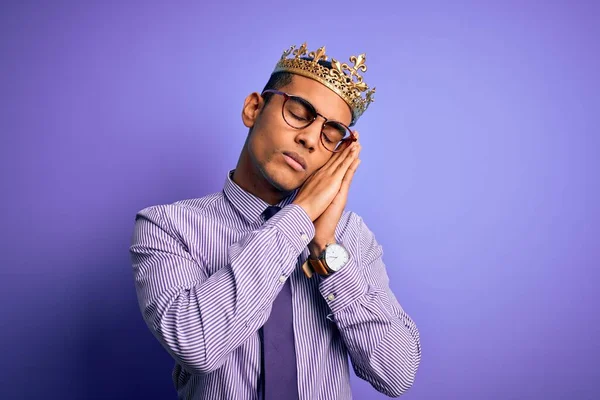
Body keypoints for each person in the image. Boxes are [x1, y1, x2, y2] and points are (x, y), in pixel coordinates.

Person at [129, 42, 421, 400]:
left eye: (331, 136)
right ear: (254, 108)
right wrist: (298, 217)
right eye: (299, 113)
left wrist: (326, 250)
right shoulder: (167, 227)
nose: (310, 139)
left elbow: (398, 372)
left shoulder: (352, 238)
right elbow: (196, 344)